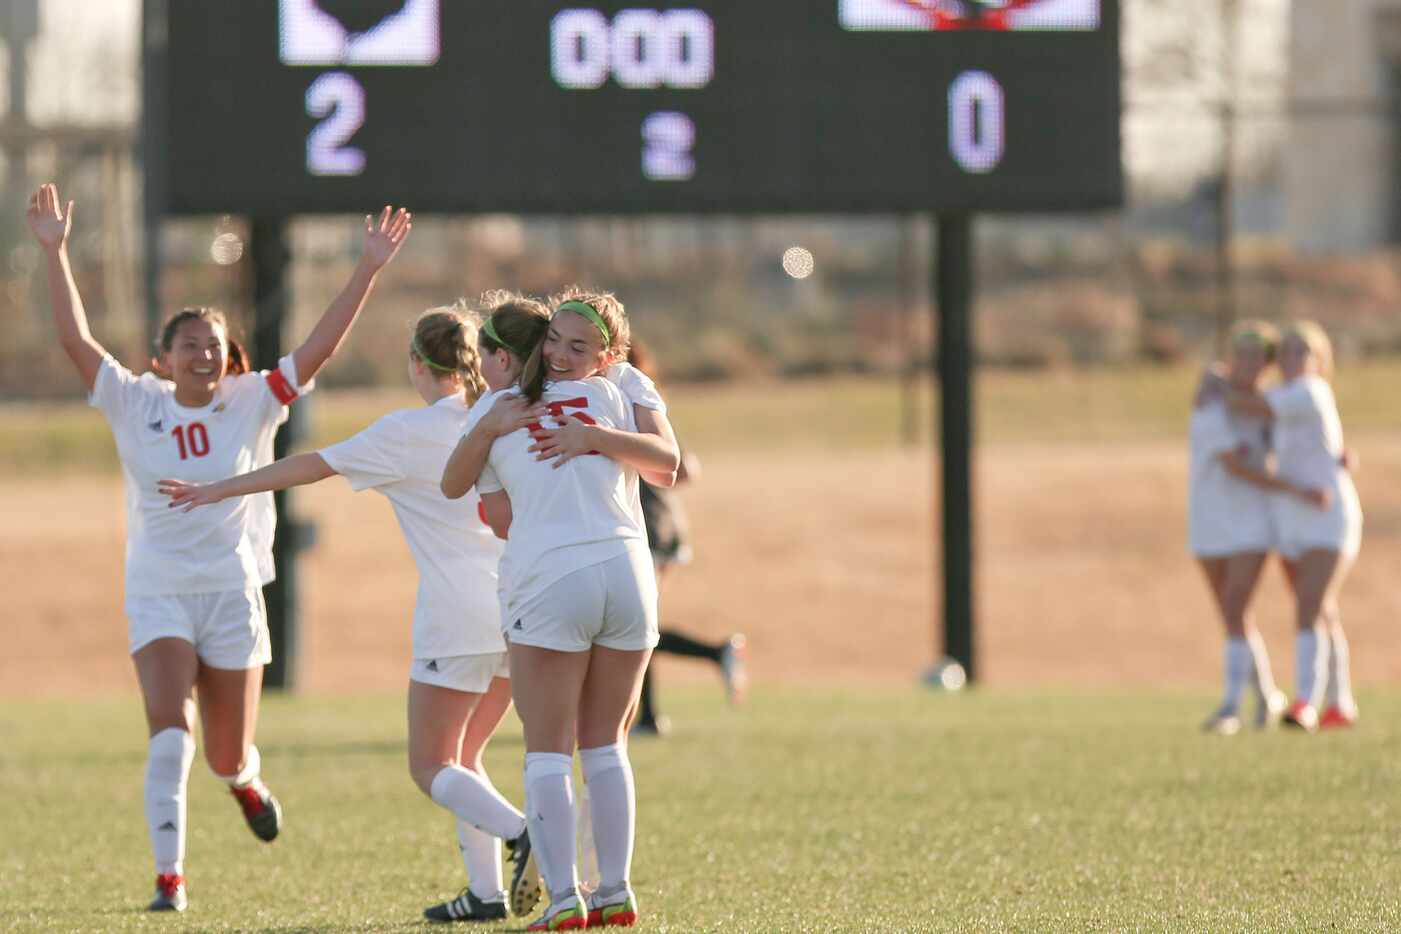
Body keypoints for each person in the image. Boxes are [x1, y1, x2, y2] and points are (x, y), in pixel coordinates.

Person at [26, 182, 410, 912]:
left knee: (225, 754)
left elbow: (318, 351)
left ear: (226, 355)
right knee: (170, 736)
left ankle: (244, 782)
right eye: (188, 346)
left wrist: (367, 267)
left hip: (232, 591)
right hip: (160, 590)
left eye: (212, 345)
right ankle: (170, 879)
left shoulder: (251, 399)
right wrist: (56, 251)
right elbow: (77, 342)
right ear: (163, 358)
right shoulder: (134, 399)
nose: (203, 355)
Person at [158, 298, 550, 921]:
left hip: (454, 615)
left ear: (419, 365)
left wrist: (218, 489)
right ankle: (484, 895)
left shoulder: (404, 432)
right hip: (520, 607)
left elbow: (309, 466)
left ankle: (527, 834)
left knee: (431, 766)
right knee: (465, 761)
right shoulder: (497, 413)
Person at [445, 291, 680, 930]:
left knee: (548, 750)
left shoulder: (499, 407)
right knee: (606, 746)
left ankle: (565, 900)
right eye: (555, 342)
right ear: (541, 343)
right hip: (629, 573)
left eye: (578, 346)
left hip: (553, 577)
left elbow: (461, 491)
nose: (562, 354)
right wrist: (599, 440)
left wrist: (501, 429)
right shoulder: (620, 385)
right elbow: (667, 466)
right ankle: (615, 890)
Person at [1217, 321, 1362, 732]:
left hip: (1327, 514)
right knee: (1323, 610)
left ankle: (1305, 702)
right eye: (1288, 352)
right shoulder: (1286, 397)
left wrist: (1215, 383)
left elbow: (1249, 405)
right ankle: (1341, 702)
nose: (1293, 359)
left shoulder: (1308, 391)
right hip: (1293, 515)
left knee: (1308, 606)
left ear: (1320, 361)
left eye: (1303, 352)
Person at [622, 340, 747, 738]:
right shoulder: (639, 402)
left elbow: (683, 466)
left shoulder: (627, 401)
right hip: (661, 525)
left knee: (638, 623)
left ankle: (715, 654)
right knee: (638, 620)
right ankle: (649, 715)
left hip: (651, 525)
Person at [1187, 322, 1287, 734]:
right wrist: (1291, 487)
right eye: (1241, 356)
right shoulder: (1212, 403)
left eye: (1258, 359)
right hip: (1211, 517)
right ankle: (1266, 694)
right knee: (1234, 616)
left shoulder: (1273, 405)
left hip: (1254, 519)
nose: (1248, 365)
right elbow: (1233, 464)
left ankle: (1230, 705)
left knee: (1235, 604)